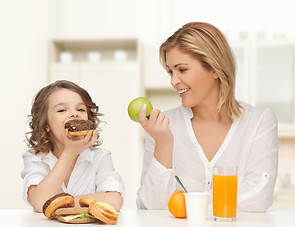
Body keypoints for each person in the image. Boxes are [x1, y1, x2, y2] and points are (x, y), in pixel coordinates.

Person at [136, 22, 278, 212]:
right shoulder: (161, 127)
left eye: (182, 70)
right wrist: (163, 143)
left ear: (214, 68)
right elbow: (149, 209)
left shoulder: (259, 121)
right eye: (171, 71)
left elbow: (258, 197)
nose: (173, 81)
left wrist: (189, 203)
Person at [21, 80, 124, 212]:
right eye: (62, 110)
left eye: (80, 109)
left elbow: (114, 200)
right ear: (46, 125)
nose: (74, 114)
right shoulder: (35, 158)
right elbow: (40, 202)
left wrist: (58, 204)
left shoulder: (99, 157)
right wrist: (69, 153)